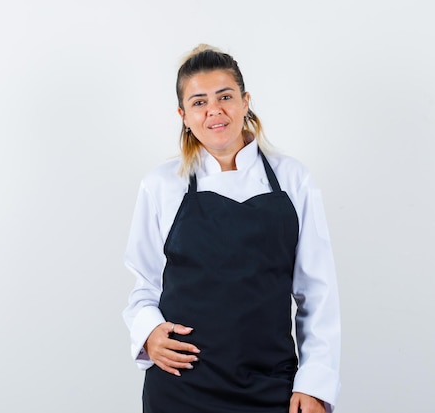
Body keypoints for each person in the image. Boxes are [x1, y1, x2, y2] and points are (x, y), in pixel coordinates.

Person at [123, 44, 341, 413]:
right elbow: (144, 285)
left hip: (272, 387)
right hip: (181, 387)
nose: (214, 110)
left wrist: (315, 383)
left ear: (245, 101)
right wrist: (148, 332)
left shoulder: (293, 179)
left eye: (225, 96)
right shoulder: (161, 185)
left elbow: (317, 292)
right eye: (198, 102)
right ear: (183, 115)